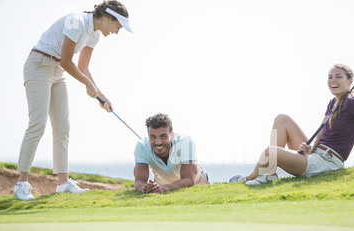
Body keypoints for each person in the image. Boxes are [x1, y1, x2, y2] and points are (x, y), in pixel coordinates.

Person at [13, 1, 133, 201]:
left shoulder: (94, 34)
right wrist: (87, 84)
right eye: (118, 27)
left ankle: (63, 183)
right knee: (38, 124)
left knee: (63, 128)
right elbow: (66, 61)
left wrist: (101, 96)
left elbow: (83, 68)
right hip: (38, 65)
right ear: (109, 18)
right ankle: (21, 184)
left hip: (57, 72)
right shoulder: (76, 22)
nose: (117, 32)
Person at [230, 63, 354, 185]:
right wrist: (310, 147)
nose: (333, 80)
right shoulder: (333, 102)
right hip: (317, 154)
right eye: (330, 77)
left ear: (350, 80)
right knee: (281, 119)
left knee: (270, 152)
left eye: (338, 76)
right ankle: (269, 173)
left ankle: (250, 177)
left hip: (327, 163)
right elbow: (321, 133)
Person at [133, 113, 209, 194]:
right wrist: (145, 188)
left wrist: (164, 188)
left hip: (198, 181)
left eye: (163, 136)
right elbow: (139, 182)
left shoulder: (187, 143)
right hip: (162, 183)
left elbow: (189, 180)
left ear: (172, 135)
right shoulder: (142, 146)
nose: (158, 142)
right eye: (153, 137)